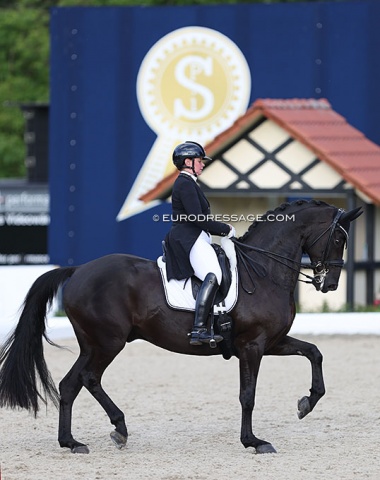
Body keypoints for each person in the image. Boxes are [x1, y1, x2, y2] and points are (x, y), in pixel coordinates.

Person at [164, 141, 236, 346]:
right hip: (189, 237)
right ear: (188, 162)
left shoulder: (189, 183)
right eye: (199, 161)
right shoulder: (185, 183)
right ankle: (198, 330)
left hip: (195, 236)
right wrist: (225, 229)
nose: (203, 164)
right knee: (214, 274)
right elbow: (197, 218)